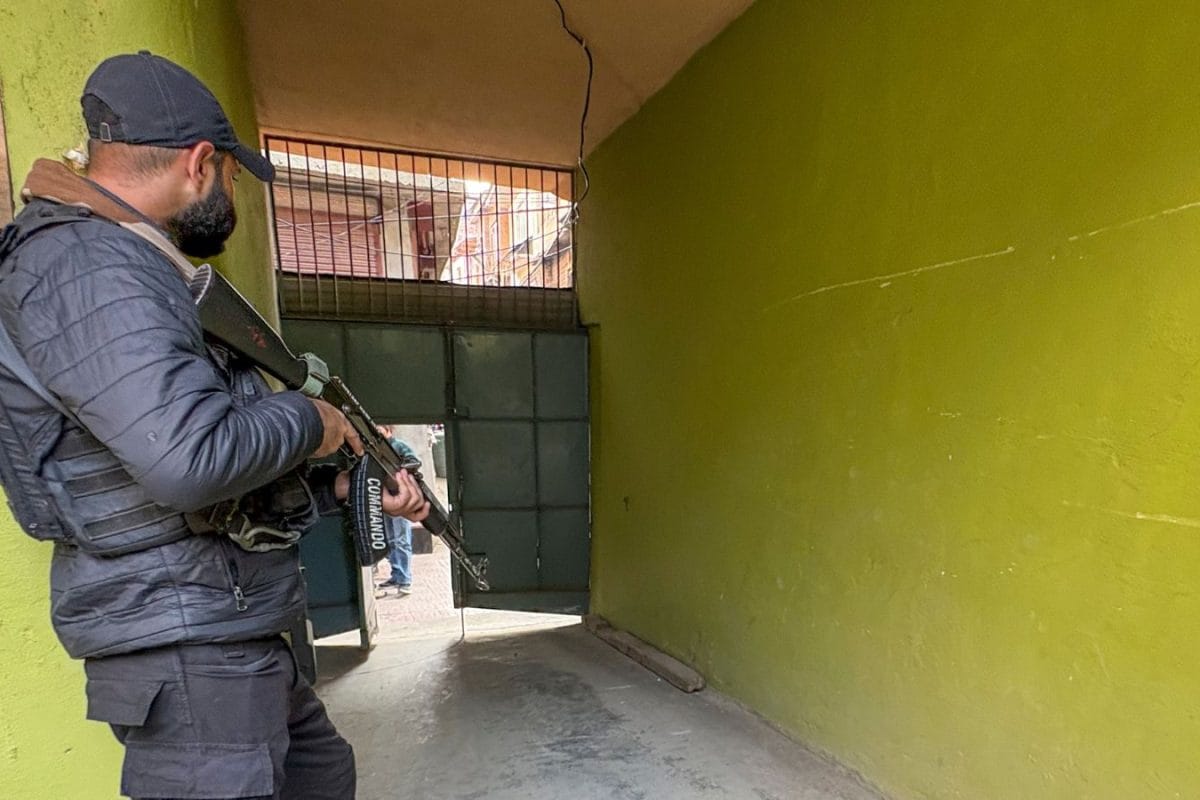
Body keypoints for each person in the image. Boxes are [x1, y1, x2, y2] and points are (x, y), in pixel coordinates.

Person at [0, 52, 429, 800]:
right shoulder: (87, 266)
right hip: (186, 642)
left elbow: (202, 466)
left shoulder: (124, 262)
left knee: (323, 773)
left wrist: (336, 489)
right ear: (200, 164)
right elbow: (188, 458)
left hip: (219, 623)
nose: (231, 195)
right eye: (232, 177)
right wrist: (314, 419)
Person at [375, 425, 416, 595]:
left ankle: (404, 579)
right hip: (387, 498)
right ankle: (398, 575)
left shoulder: (398, 446)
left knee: (400, 539)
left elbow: (413, 462)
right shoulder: (377, 448)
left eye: (380, 431)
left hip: (399, 497)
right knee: (392, 539)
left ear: (389, 431)